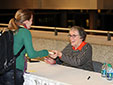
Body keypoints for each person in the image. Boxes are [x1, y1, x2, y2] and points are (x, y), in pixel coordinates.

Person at [0, 9, 49, 85]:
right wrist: (47, 52)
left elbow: (16, 49)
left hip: (3, 70)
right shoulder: (25, 32)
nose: (32, 23)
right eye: (31, 20)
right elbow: (31, 54)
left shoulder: (8, 30)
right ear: (26, 21)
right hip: (14, 72)